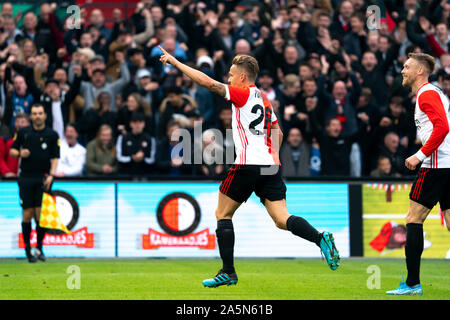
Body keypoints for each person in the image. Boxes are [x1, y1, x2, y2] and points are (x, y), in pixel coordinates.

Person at [159, 46, 340, 288]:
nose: (229, 79)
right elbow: (278, 132)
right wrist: (273, 155)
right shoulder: (265, 100)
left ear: (242, 77)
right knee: (281, 218)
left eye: (231, 75)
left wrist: (176, 62)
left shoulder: (242, 93)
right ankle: (319, 238)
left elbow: (209, 84)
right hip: (270, 166)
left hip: (247, 163)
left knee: (223, 214)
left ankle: (228, 272)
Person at [386, 53, 450, 296]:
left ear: (420, 71)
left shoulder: (426, 94)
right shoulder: (434, 92)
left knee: (413, 219)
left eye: (406, 67)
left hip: (435, 165)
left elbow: (443, 127)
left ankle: (413, 284)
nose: (402, 71)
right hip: (447, 163)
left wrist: (419, 155)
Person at [9, 104, 59, 263]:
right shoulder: (23, 133)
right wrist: (20, 153)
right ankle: (27, 250)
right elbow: (12, 150)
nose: (37, 116)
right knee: (27, 214)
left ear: (45, 115)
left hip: (43, 178)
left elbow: (56, 157)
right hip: (26, 178)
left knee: (41, 215)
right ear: (31, 116)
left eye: (40, 113)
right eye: (34, 113)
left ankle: (39, 248)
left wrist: (52, 174)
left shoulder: (52, 134)